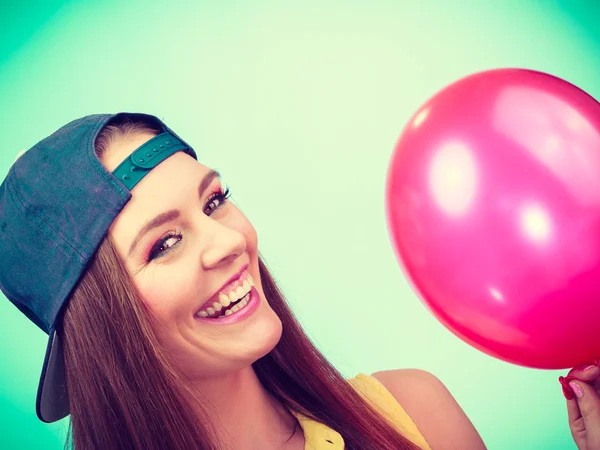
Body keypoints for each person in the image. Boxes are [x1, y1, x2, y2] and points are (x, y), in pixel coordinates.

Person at [0, 112, 588, 450]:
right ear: (100, 329)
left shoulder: (415, 415)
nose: (230, 242)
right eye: (165, 244)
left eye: (214, 202)